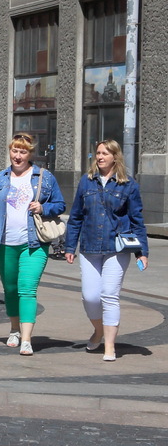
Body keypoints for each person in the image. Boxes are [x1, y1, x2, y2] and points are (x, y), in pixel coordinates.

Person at [64, 139, 149, 362]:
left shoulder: (127, 184)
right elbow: (76, 217)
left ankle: (109, 345)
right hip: (90, 247)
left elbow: (137, 219)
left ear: (115, 157)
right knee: (90, 297)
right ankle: (99, 330)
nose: (100, 157)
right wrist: (70, 246)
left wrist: (142, 252)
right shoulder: (86, 181)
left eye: (104, 153)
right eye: (98, 153)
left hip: (117, 248)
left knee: (109, 295)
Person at [0, 132, 66, 355]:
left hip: (34, 243)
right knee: (10, 289)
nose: (18, 156)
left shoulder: (44, 177)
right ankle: (14, 329)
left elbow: (60, 204)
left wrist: (43, 208)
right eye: (15, 150)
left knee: (27, 289)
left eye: (23, 151)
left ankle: (27, 338)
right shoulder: (0, 177)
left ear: (30, 154)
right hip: (4, 243)